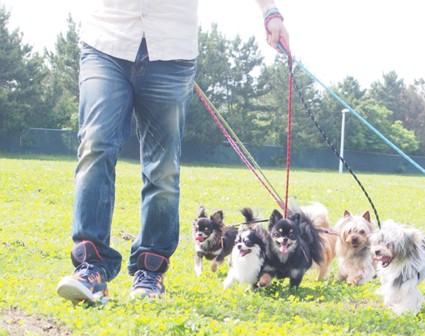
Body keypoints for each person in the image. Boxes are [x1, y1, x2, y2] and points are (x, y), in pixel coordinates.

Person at [56, 0, 289, 304]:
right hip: (106, 37)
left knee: (162, 166)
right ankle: (91, 268)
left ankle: (150, 271)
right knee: (95, 145)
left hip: (171, 47)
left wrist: (269, 11)